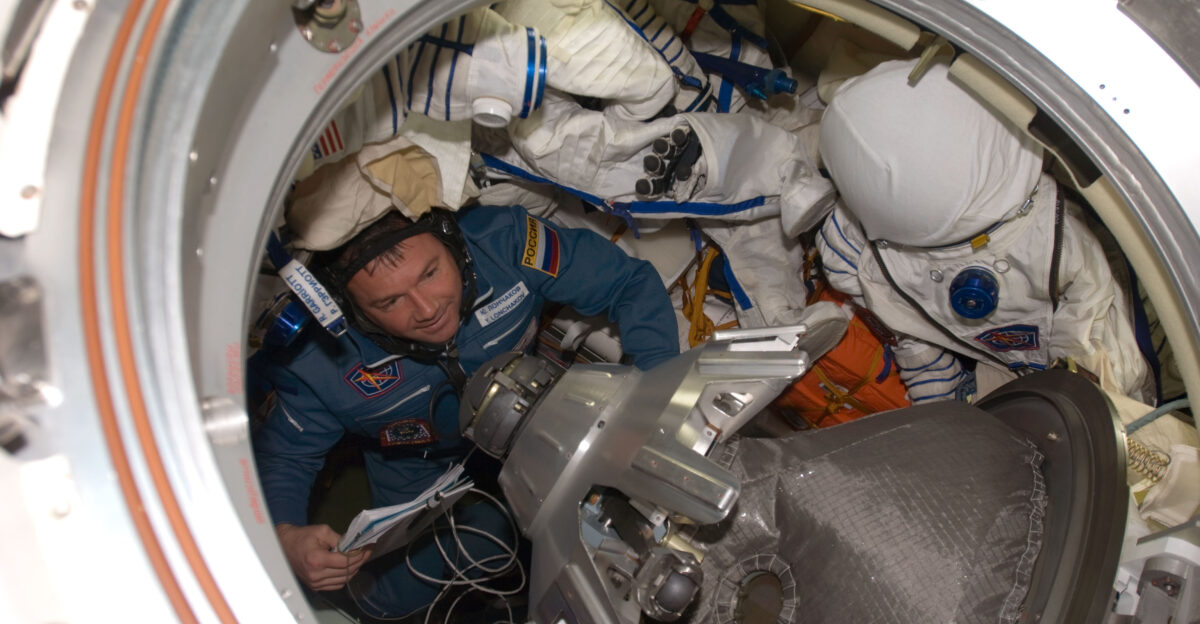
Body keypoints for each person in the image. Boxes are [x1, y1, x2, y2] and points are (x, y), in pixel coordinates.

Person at [251, 204, 679, 619]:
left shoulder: (504, 243)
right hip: (415, 467)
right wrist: (284, 535)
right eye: (389, 302)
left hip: (528, 427)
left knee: (525, 546)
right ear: (350, 308)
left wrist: (650, 407)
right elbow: (285, 457)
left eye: (431, 273)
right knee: (398, 594)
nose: (427, 308)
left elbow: (629, 283)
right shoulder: (320, 358)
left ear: (451, 241)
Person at [814, 58, 1152, 403]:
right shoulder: (853, 253)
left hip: (1073, 358)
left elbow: (1092, 327)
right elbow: (911, 338)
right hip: (998, 369)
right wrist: (936, 410)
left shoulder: (1058, 236)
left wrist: (1072, 391)